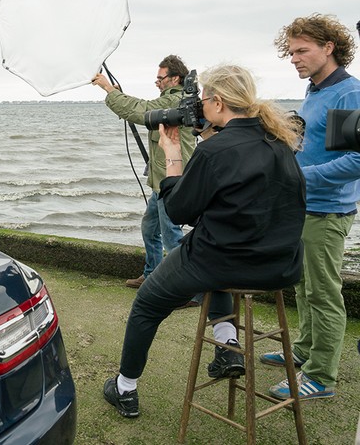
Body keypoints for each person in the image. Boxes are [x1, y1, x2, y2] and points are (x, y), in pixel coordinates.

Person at [102, 64, 306, 418]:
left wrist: (172, 154)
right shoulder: (280, 141)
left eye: (204, 101)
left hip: (224, 261)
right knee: (218, 254)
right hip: (278, 267)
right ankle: (227, 343)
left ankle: (125, 387)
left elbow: (180, 210)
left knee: (147, 306)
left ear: (217, 102)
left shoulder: (216, 152)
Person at [261, 14, 360, 400]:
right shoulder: (315, 91)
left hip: (328, 210)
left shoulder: (348, 93)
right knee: (303, 287)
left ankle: (320, 377)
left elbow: (355, 160)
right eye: (291, 52)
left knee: (323, 293)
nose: (294, 58)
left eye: (302, 50)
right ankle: (303, 351)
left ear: (329, 48)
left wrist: (301, 178)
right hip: (303, 205)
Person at [92, 55, 196, 299]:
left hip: (173, 179)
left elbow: (141, 110)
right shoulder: (171, 100)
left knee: (172, 237)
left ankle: (188, 292)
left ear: (175, 78)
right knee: (150, 228)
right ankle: (152, 274)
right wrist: (118, 97)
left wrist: (108, 89)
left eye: (160, 78)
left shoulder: (177, 101)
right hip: (161, 179)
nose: (157, 83)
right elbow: (142, 109)